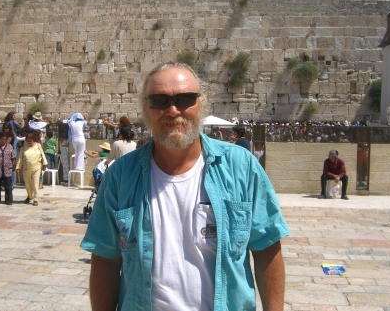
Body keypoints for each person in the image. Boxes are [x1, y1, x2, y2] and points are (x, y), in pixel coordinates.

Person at [80, 62, 289, 311]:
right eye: (160, 100)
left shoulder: (241, 167)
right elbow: (105, 259)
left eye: (185, 99)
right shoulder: (120, 176)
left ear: (202, 104)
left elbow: (267, 247)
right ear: (146, 108)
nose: (173, 110)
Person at [16, 130, 47, 206]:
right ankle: (29, 196)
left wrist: (44, 164)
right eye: (28, 141)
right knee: (27, 184)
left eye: (31, 141)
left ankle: (35, 199)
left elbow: (43, 155)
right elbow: (20, 158)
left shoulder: (38, 146)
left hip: (36, 168)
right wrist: (18, 168)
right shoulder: (24, 147)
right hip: (26, 169)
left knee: (35, 183)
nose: (29, 142)